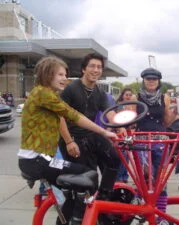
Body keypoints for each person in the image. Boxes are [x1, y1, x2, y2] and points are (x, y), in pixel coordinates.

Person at [17, 56, 117, 225]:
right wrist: (103, 132)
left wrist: (119, 126)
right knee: (89, 176)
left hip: (39, 160)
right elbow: (73, 115)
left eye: (65, 75)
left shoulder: (44, 93)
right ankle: (79, 219)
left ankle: (71, 218)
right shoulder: (44, 94)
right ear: (48, 74)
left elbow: (106, 111)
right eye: (61, 75)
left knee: (77, 188)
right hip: (37, 161)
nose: (65, 79)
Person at [58, 53, 123, 220]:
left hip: (91, 136)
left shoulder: (99, 92)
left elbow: (110, 113)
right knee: (87, 182)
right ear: (83, 69)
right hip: (73, 138)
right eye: (92, 66)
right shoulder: (71, 89)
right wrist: (68, 141)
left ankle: (103, 197)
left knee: (115, 158)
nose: (96, 70)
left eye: (99, 67)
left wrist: (119, 126)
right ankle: (80, 217)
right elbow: (59, 117)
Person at [134, 68, 175, 225]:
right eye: (148, 79)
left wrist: (176, 113)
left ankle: (161, 216)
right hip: (142, 141)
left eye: (154, 79)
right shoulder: (135, 97)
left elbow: (166, 122)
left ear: (159, 81)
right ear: (143, 80)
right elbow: (129, 119)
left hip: (160, 140)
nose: (151, 81)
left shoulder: (164, 98)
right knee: (145, 177)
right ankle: (143, 212)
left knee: (161, 179)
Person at [115, 88, 135, 183]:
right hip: (120, 133)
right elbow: (118, 120)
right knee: (122, 155)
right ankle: (119, 178)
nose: (128, 97)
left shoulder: (130, 106)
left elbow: (132, 123)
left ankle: (124, 176)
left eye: (130, 95)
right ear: (122, 95)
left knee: (127, 155)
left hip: (128, 133)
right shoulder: (119, 106)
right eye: (126, 94)